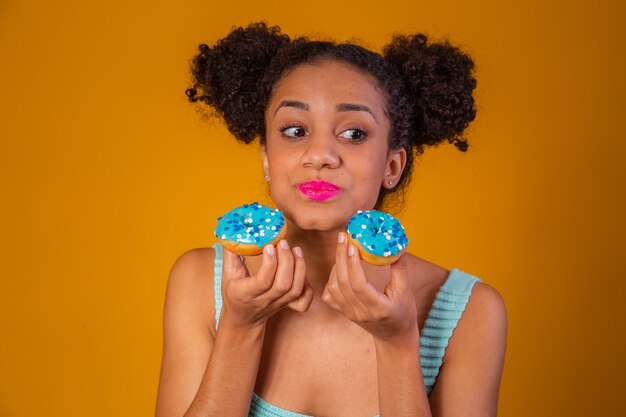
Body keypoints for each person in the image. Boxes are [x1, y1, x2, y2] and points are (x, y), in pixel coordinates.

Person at [156, 22, 507, 417]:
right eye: (294, 130)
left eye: (354, 134)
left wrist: (397, 345)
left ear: (392, 165)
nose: (320, 154)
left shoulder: (470, 313)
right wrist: (241, 329)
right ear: (267, 160)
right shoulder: (201, 283)